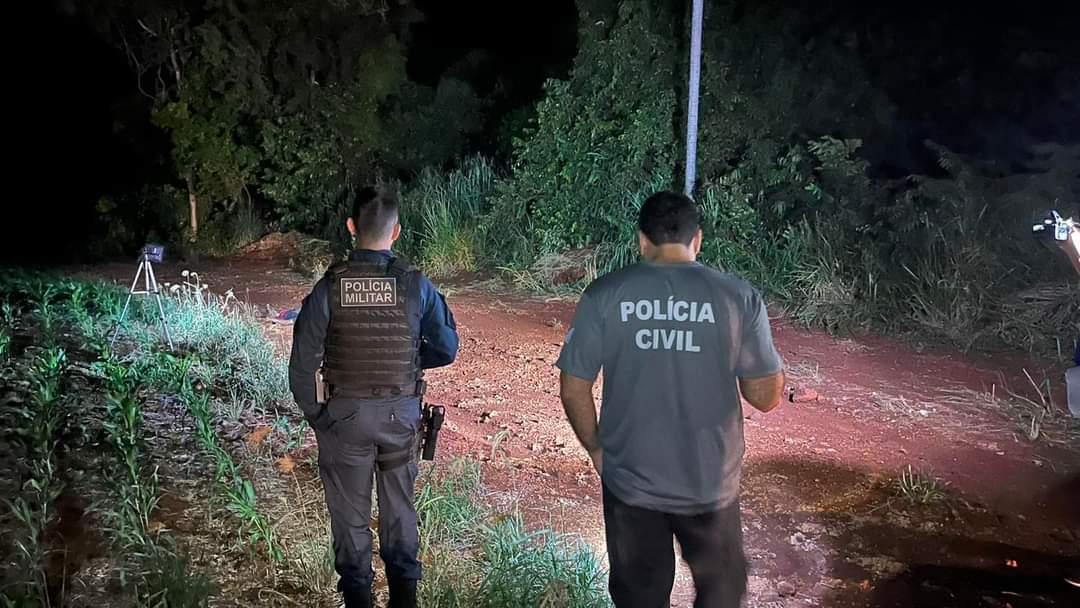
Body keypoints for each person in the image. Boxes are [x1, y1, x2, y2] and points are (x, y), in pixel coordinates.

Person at [557, 191, 786, 608]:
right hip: (709, 482)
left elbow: (573, 386)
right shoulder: (738, 298)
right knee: (721, 594)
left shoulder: (604, 294)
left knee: (639, 598)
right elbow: (765, 396)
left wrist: (596, 449)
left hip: (631, 482)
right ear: (697, 240)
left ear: (642, 241)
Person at [288, 186, 459, 608]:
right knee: (400, 509)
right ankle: (404, 598)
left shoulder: (330, 287)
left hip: (344, 417)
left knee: (350, 519)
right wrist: (406, 359)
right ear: (396, 231)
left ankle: (359, 599)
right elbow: (447, 347)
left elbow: (301, 367)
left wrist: (321, 418)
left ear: (350, 227)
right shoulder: (415, 285)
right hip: (401, 415)